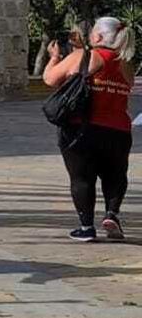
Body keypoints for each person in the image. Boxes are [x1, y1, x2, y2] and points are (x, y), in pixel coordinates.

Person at [44, 17, 133, 241]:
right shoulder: (125, 63)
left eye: (93, 32)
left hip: (81, 128)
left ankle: (86, 227)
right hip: (118, 130)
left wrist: (55, 57)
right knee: (115, 176)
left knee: (82, 178)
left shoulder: (83, 56)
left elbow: (50, 79)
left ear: (99, 36)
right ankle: (112, 214)